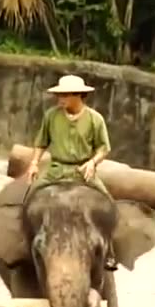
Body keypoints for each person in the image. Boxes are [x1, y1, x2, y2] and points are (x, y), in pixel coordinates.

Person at [25, 74, 117, 270]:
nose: (60, 99)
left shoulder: (95, 119)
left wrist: (93, 163)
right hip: (56, 168)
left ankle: (110, 250)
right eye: (59, 95)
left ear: (78, 95)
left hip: (82, 170)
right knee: (29, 198)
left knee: (108, 203)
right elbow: (41, 142)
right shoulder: (51, 116)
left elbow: (104, 148)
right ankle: (25, 245)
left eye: (64, 95)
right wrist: (34, 163)